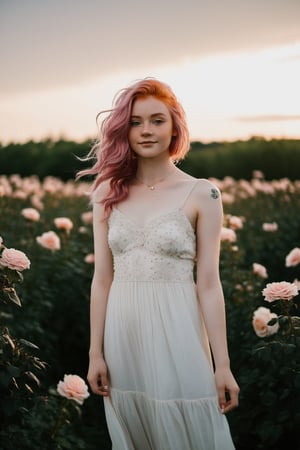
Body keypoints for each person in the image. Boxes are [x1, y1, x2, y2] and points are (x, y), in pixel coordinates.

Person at [79, 78, 239, 450]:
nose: (146, 130)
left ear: (174, 127)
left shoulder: (203, 192)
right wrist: (95, 353)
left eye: (157, 120)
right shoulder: (107, 193)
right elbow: (101, 279)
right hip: (123, 335)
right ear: (124, 130)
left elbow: (209, 284)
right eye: (135, 122)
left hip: (179, 329)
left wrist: (222, 365)